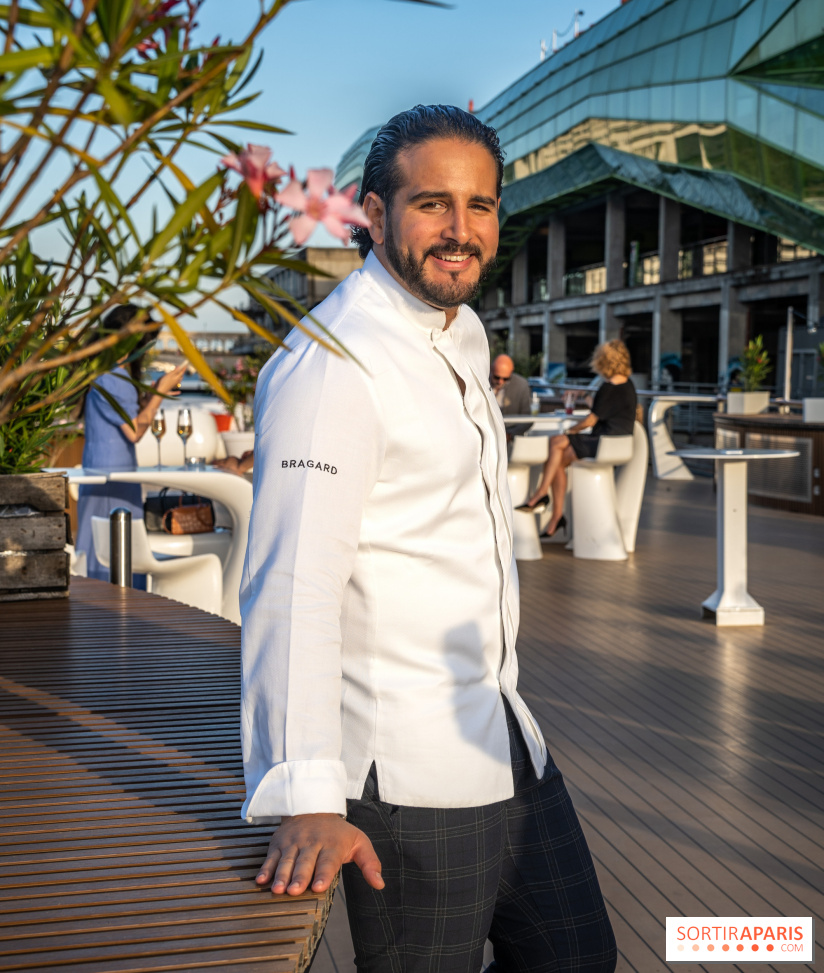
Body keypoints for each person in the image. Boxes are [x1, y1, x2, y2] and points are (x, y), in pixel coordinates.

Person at [240, 105, 616, 973]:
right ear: (375, 214)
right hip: (408, 773)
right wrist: (306, 793)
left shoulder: (463, 330)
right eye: (432, 203)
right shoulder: (334, 364)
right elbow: (293, 583)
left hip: (504, 734)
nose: (460, 230)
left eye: (479, 205)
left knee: (578, 957)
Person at [75, 305, 187, 581]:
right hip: (114, 475)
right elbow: (135, 431)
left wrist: (152, 393)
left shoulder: (105, 372)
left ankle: (94, 600)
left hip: (99, 469)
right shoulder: (115, 377)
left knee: (97, 544)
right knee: (118, 549)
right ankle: (116, 603)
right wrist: (159, 393)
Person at [519, 340, 637, 539]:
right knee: (558, 458)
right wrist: (584, 395)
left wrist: (571, 431)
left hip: (603, 443)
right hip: (617, 443)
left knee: (557, 442)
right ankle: (556, 516)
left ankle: (542, 495)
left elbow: (591, 419)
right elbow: (604, 408)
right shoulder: (628, 385)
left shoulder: (608, 387)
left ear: (603, 361)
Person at [490, 353, 532, 437]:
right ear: (491, 370)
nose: (500, 381)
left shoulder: (521, 385)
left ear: (511, 374)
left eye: (505, 379)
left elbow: (527, 418)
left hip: (510, 434)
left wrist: (510, 434)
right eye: (497, 377)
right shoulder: (482, 382)